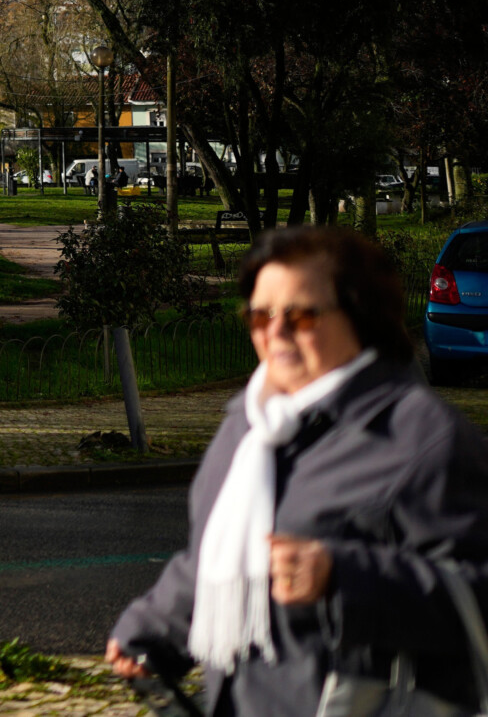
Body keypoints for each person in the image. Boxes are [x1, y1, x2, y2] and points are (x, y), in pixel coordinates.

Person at [107, 226, 488, 717]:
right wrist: (154, 627)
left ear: (361, 316)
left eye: (301, 315)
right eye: (260, 314)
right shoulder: (249, 424)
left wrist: (344, 578)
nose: (276, 331)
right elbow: (220, 558)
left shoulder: (422, 437)